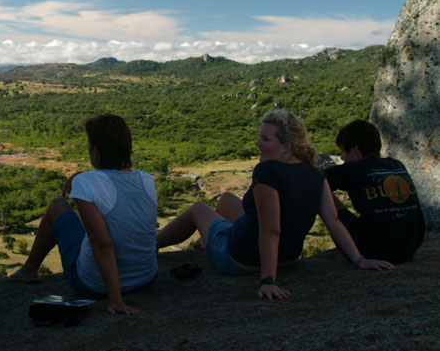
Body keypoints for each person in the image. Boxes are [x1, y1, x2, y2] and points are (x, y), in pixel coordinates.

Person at [156, 110, 394, 300]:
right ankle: (203, 241)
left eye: (265, 139)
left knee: (198, 208)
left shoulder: (267, 171)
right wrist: (359, 260)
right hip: (288, 258)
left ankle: (151, 245)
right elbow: (333, 220)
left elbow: (271, 230)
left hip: (240, 259)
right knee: (227, 199)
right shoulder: (315, 171)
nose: (258, 143)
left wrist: (268, 280)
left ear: (287, 146)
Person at [11, 114, 157, 315]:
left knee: (57, 205)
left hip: (94, 285)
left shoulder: (86, 182)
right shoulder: (146, 180)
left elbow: (103, 244)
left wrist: (116, 300)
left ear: (95, 151)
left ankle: (29, 270)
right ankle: (29, 269)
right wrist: (81, 176)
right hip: (145, 277)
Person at [325, 119, 425, 263]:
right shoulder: (396, 165)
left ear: (356, 149)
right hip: (410, 247)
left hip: (373, 250)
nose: (342, 157)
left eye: (343, 151)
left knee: (320, 189)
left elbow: (311, 180)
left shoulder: (353, 169)